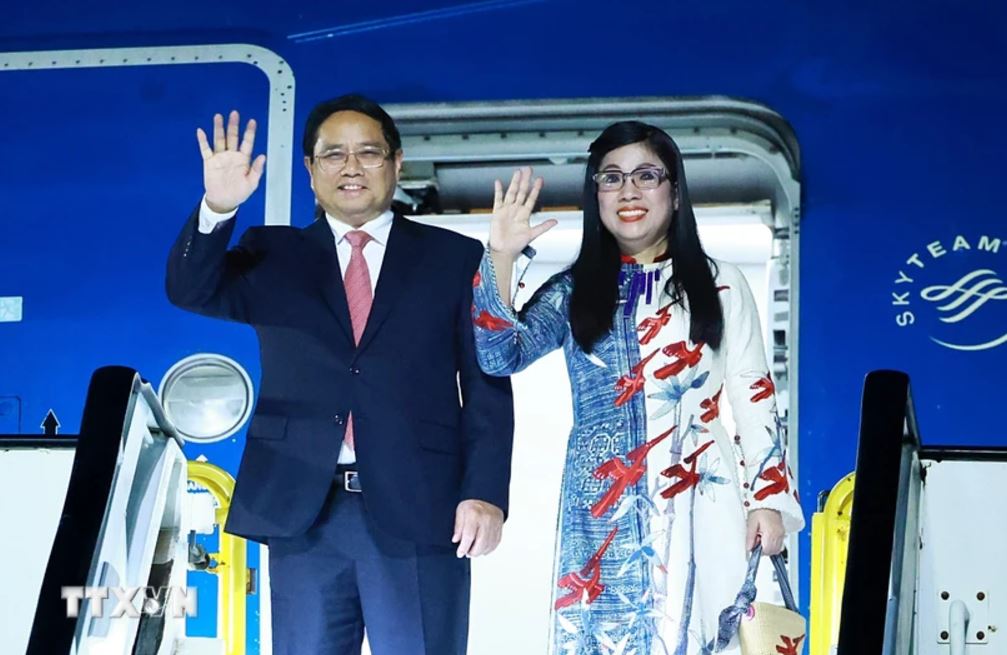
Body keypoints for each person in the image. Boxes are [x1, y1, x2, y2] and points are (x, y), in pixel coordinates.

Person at [166, 94, 514, 655]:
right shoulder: (270, 253)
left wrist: (485, 494)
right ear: (310, 170)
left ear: (396, 163)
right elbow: (190, 290)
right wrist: (217, 208)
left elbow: (487, 386)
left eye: (368, 153)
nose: (351, 168)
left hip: (422, 509)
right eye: (333, 155)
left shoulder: (455, 259)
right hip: (305, 511)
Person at [471, 121, 804, 654]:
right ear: (595, 194)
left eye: (647, 175)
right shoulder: (575, 290)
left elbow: (752, 390)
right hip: (602, 503)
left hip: (703, 494)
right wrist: (502, 256)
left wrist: (766, 501)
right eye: (611, 178)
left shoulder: (720, 284)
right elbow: (499, 353)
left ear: (675, 192)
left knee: (699, 632)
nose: (629, 191)